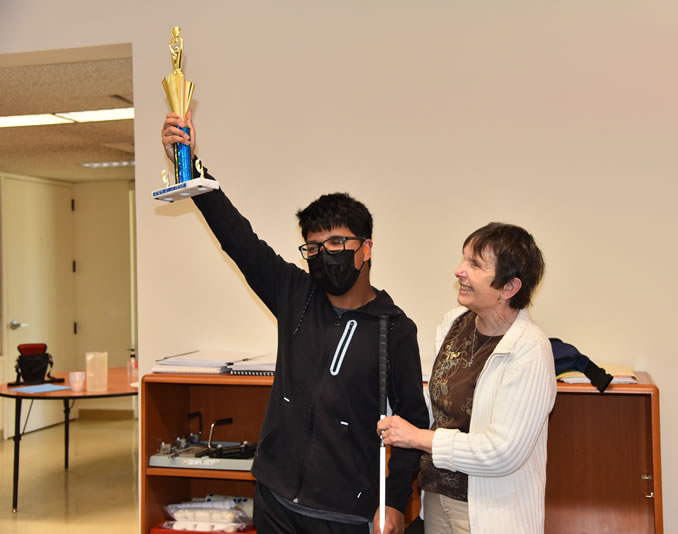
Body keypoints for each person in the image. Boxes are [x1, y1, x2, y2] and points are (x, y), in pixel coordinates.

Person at [161, 111, 429, 534]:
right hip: (275, 502)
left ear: (366, 249)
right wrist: (190, 165)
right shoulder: (295, 295)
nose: (326, 254)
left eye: (338, 242)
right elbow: (238, 238)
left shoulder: (393, 329)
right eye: (314, 246)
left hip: (346, 515)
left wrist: (394, 503)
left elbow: (413, 425)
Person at [377, 222, 557, 534]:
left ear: (509, 288)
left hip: (487, 514)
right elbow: (440, 406)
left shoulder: (530, 350)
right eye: (464, 259)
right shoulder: (453, 324)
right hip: (435, 499)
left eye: (474, 264)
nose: (459, 271)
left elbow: (501, 452)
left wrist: (417, 438)